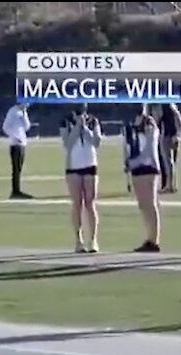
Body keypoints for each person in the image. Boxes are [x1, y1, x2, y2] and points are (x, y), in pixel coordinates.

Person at [61, 104, 102, 254]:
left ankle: (93, 239)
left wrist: (85, 128)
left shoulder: (93, 121)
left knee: (90, 202)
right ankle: (78, 240)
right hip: (73, 166)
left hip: (90, 165)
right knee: (77, 203)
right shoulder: (65, 122)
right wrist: (76, 128)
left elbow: (96, 142)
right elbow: (68, 144)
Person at [123, 104, 162, 253]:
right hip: (136, 168)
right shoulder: (129, 127)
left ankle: (154, 240)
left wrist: (134, 162)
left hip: (149, 166)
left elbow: (150, 149)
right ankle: (148, 238)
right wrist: (127, 163)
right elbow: (126, 147)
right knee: (142, 204)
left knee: (150, 203)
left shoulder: (149, 124)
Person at [2, 102, 33, 200]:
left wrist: (25, 115)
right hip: (15, 144)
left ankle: (17, 190)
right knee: (16, 169)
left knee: (19, 168)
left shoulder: (23, 112)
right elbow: (5, 127)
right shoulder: (13, 111)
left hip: (22, 143)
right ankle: (15, 191)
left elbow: (27, 127)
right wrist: (15, 137)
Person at [156, 102, 181, 193]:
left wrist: (177, 134)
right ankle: (172, 184)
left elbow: (179, 121)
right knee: (171, 162)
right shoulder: (170, 107)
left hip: (169, 136)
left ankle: (169, 185)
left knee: (168, 162)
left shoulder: (168, 107)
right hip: (171, 136)